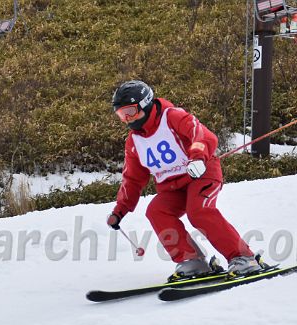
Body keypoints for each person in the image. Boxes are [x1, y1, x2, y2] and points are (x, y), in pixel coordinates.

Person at [107, 80, 264, 281]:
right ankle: (192, 260)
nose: (127, 119)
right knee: (156, 211)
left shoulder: (172, 117)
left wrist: (197, 157)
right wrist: (120, 210)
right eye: (122, 115)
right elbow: (132, 179)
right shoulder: (134, 141)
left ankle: (243, 257)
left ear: (145, 104)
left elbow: (202, 134)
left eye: (131, 112)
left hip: (201, 173)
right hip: (173, 187)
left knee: (198, 212)